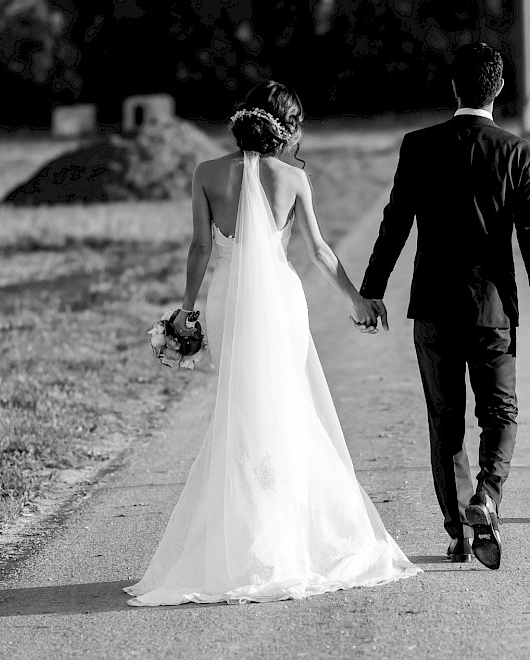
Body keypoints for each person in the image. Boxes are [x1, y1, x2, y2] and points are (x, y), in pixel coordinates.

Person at [125, 81, 420, 606]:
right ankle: (288, 539)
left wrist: (186, 310)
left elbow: (199, 246)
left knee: (242, 414)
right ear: (286, 128)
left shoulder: (207, 174)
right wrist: (356, 299)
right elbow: (320, 252)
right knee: (286, 413)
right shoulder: (293, 179)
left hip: (229, 304)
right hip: (280, 305)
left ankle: (244, 542)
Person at [358, 42, 530, 570]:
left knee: (445, 421)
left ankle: (459, 533)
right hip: (493, 311)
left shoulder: (418, 145)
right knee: (501, 414)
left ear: (454, 89)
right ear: (498, 91)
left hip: (433, 310)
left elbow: (395, 223)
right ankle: (487, 499)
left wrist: (372, 289)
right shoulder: (518, 153)